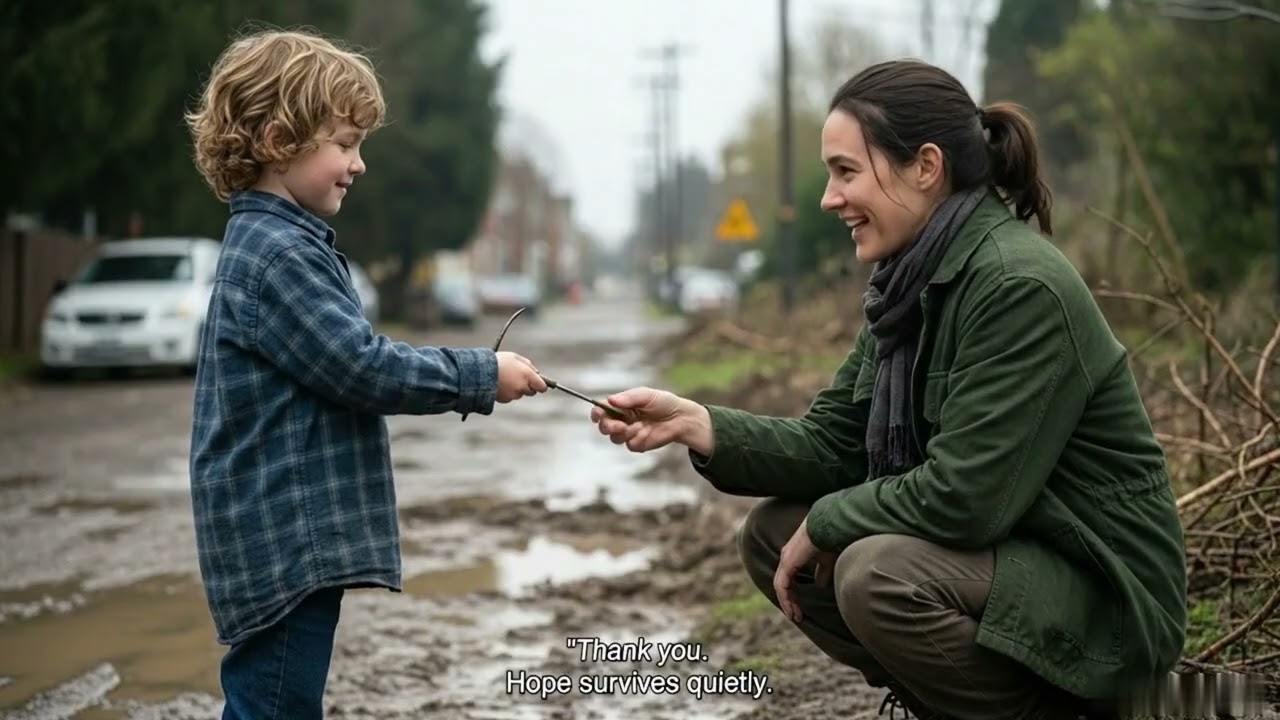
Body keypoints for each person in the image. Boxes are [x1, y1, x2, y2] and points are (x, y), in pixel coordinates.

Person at [591, 59, 1187, 720]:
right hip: (1015, 560)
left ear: (925, 167)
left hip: (1103, 593)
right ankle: (949, 699)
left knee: (875, 573)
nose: (828, 197)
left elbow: (966, 499)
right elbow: (833, 446)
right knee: (771, 535)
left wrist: (829, 520)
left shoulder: (1018, 286)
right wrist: (700, 423)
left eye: (846, 172)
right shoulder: (911, 288)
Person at [184, 29, 548, 719]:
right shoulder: (279, 257)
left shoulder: (279, 242)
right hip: (284, 539)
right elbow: (361, 366)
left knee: (274, 699)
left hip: (284, 538)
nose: (358, 165)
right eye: (344, 143)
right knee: (275, 706)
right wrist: (481, 374)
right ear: (276, 139)